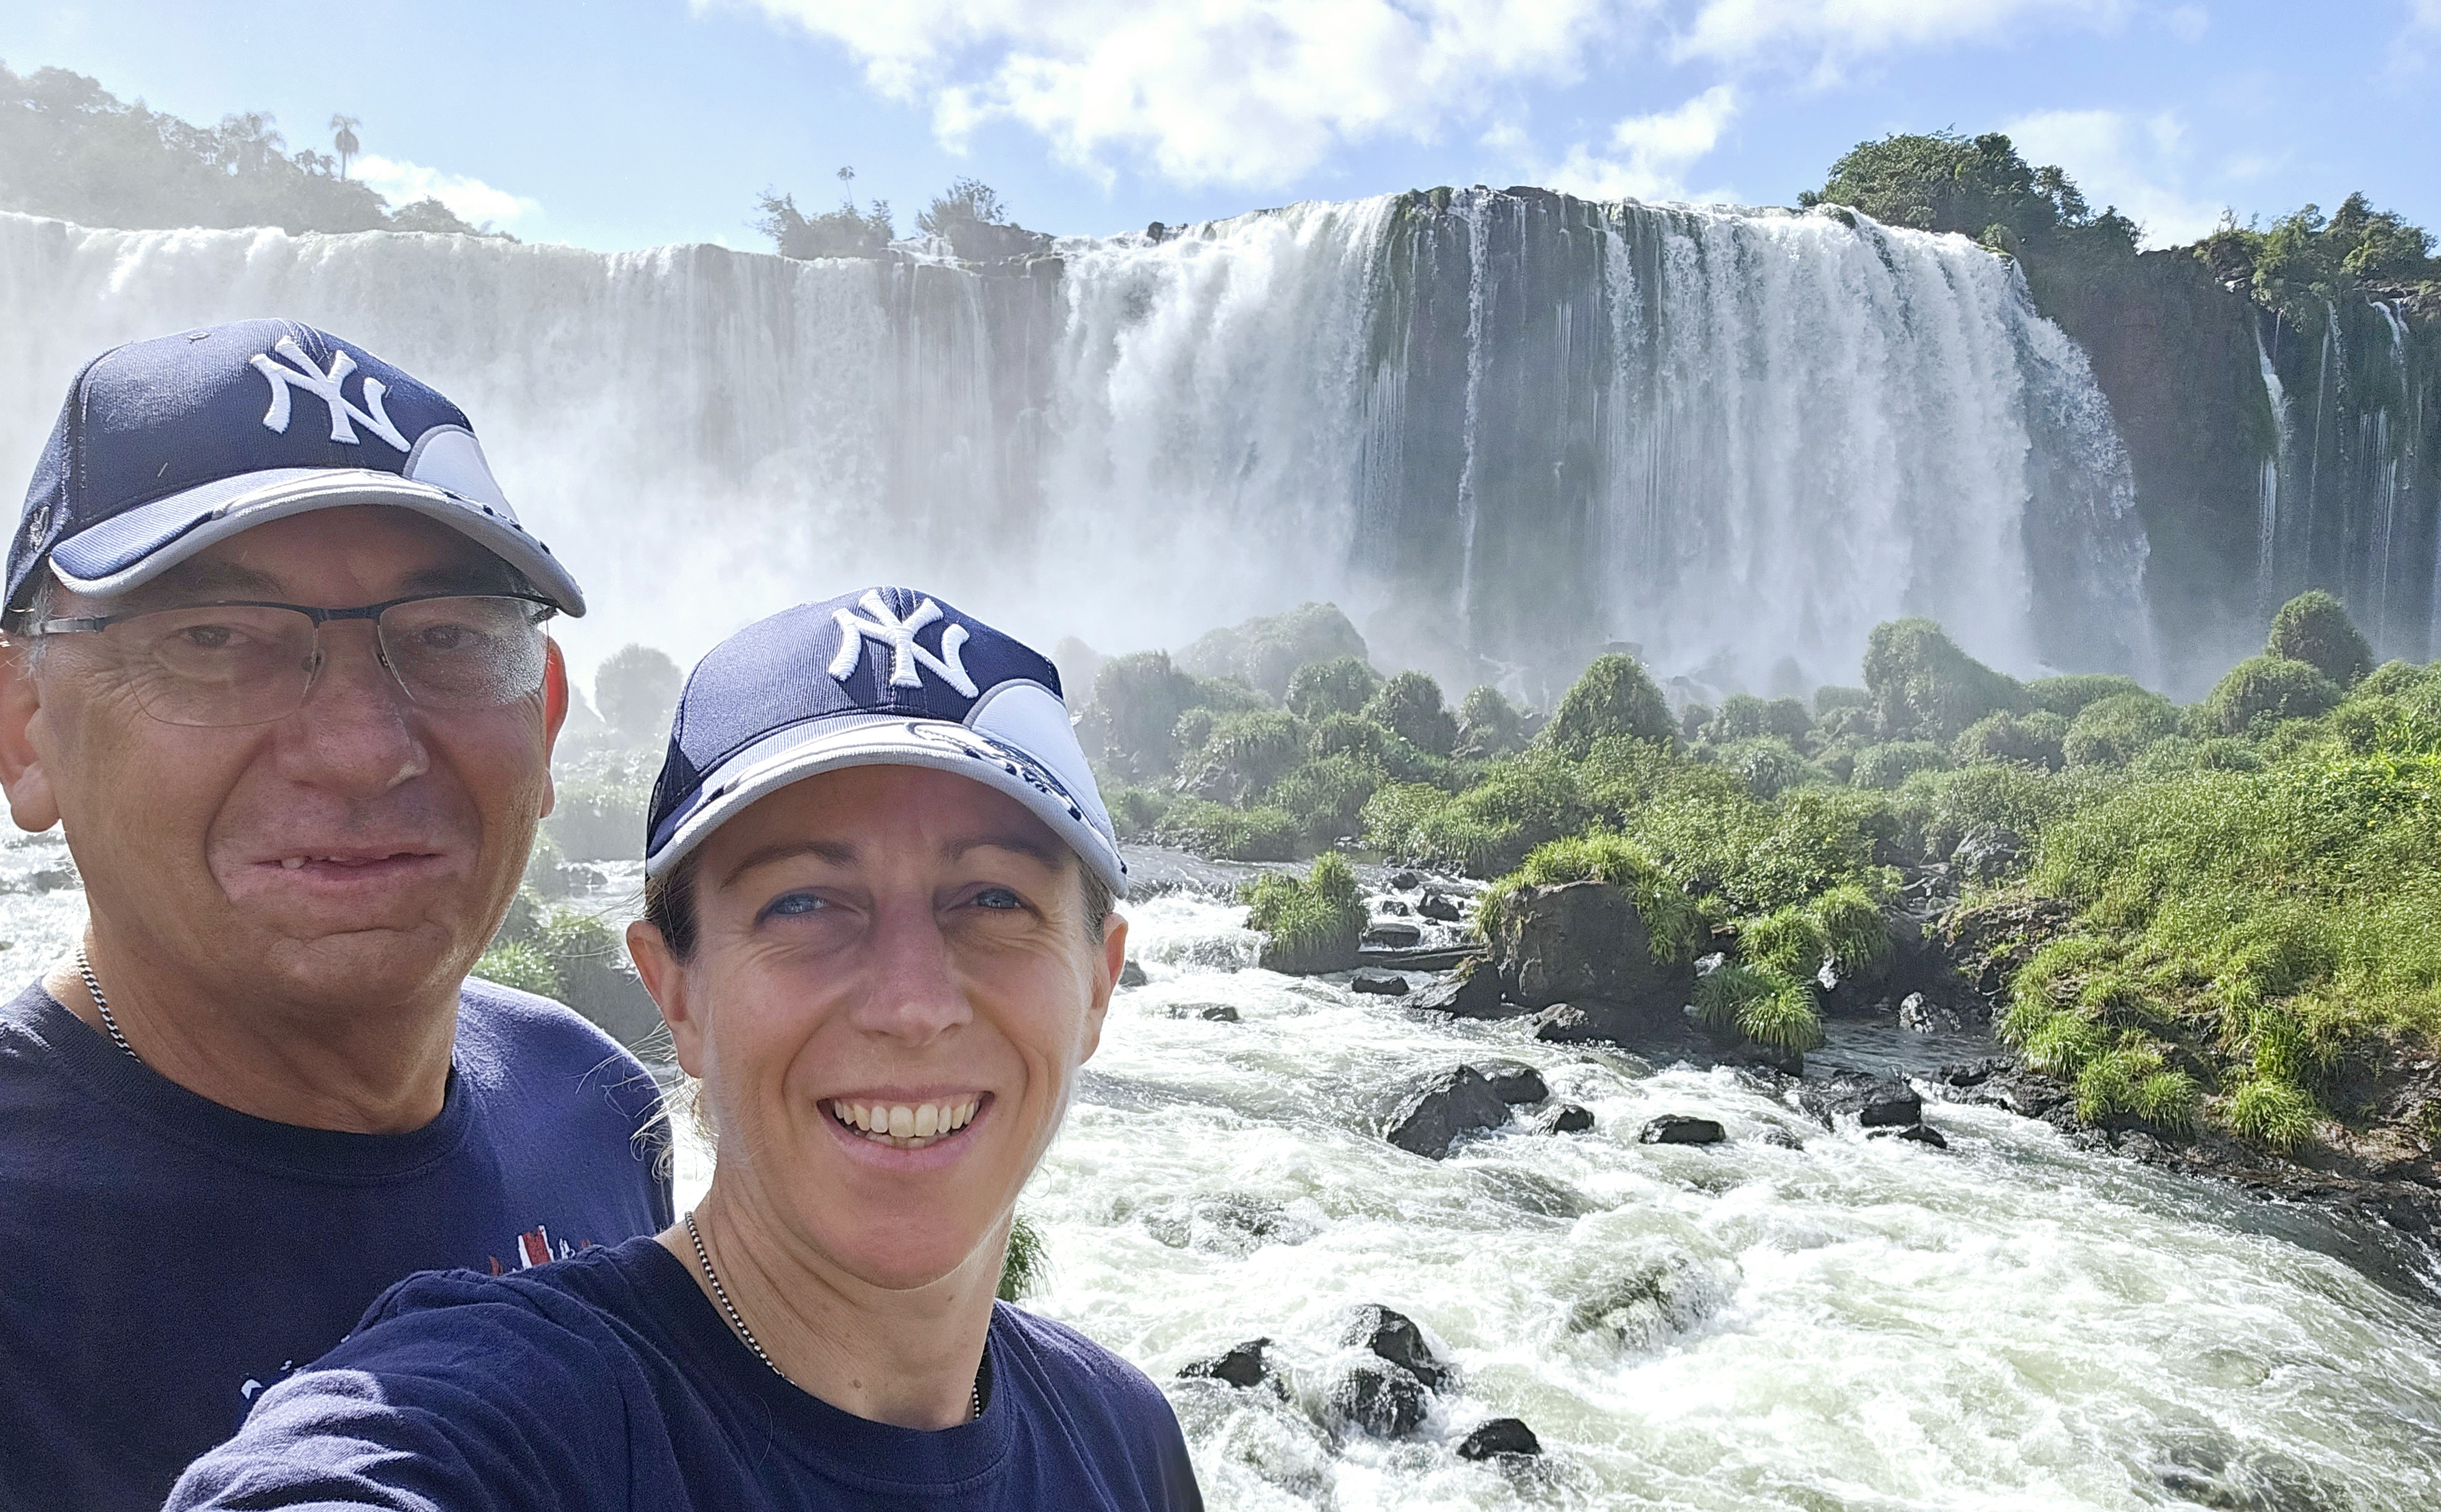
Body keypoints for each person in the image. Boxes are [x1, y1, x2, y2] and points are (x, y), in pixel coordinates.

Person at [168, 586, 1203, 1510]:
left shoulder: (1124, 1440)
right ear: (677, 992)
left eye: (991, 897)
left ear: (1100, 982)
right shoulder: (520, 1411)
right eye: (805, 900)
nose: (911, 1002)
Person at [0, 320, 671, 1512]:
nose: (364, 750)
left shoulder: (600, 1108)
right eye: (213, 641)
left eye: (450, 637)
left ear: (549, 716)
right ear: (23, 725)